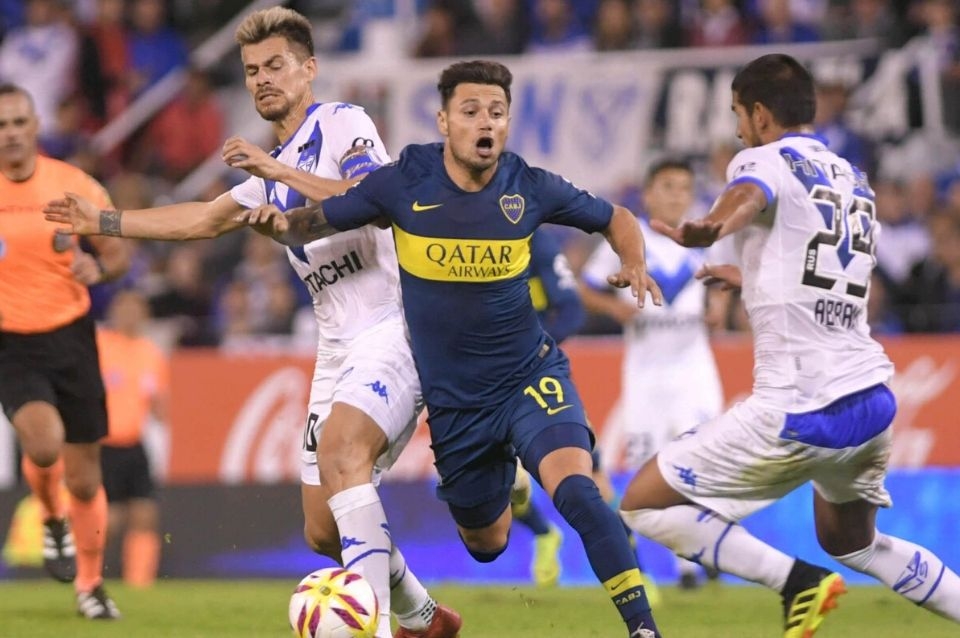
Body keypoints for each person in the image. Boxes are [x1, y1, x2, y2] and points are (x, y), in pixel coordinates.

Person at [43, 7, 460, 638]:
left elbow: (374, 200)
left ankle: (372, 630)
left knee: (345, 453)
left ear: (309, 69)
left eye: (275, 65)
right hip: (336, 346)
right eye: (251, 70)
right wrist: (103, 221)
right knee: (323, 530)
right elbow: (202, 218)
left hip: (391, 326)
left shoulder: (342, 122)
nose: (262, 79)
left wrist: (278, 176)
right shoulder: (269, 169)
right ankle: (423, 617)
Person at [236, 59, 667, 638]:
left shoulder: (528, 186)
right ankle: (510, 479)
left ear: (507, 122)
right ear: (444, 121)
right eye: (470, 111)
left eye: (496, 112)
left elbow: (616, 217)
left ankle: (643, 628)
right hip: (458, 404)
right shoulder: (405, 181)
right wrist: (281, 227)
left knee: (577, 492)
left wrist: (633, 260)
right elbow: (317, 221)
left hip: (528, 376)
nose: (485, 122)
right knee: (486, 542)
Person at [614, 53, 960, 638]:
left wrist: (712, 227)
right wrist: (751, 278)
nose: (737, 130)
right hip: (871, 398)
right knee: (854, 543)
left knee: (643, 503)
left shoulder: (765, 158)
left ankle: (797, 582)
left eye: (737, 115)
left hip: (801, 405)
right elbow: (828, 271)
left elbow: (748, 193)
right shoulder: (851, 178)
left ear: (759, 113)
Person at [0, 82, 129, 619]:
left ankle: (90, 585)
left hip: (71, 337)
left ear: (35, 126)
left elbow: (117, 252)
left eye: (18, 122)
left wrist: (98, 267)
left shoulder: (73, 184)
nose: (10, 133)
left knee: (84, 477)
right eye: (1, 125)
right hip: (11, 341)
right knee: (43, 442)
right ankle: (52, 518)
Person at [580, 158, 729, 590]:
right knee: (654, 470)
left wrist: (719, 307)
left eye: (683, 188)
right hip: (646, 375)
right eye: (667, 186)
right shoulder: (629, 239)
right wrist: (615, 310)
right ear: (648, 194)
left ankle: (697, 558)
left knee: (698, 461)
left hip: (693, 368)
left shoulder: (704, 238)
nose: (676, 196)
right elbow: (586, 287)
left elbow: (722, 283)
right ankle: (690, 560)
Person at [511, 227, 584, 587]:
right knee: (495, 485)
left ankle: (635, 573)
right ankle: (543, 531)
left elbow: (571, 310)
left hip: (536, 376)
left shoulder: (534, 240)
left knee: (585, 474)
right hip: (476, 377)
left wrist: (535, 352)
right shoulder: (448, 238)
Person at [96, 289, 168, 588]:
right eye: (124, 309)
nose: (130, 315)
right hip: (104, 445)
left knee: (145, 514)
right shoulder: (99, 346)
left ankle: (140, 584)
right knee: (109, 520)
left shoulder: (150, 353)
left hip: (135, 445)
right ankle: (89, 577)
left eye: (136, 310)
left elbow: (159, 406)